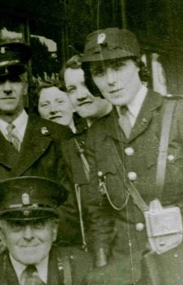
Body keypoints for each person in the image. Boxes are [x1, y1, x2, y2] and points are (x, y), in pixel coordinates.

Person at [80, 28, 183, 284]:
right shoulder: (98, 134)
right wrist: (102, 269)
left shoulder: (182, 114)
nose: (110, 80)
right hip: (127, 270)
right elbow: (98, 213)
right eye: (99, 72)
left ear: (138, 65)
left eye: (118, 66)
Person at [0, 43, 78, 253]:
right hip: (1, 252)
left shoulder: (59, 135)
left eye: (15, 80)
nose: (7, 88)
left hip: (56, 247)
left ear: (25, 86)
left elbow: (75, 199)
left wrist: (43, 234)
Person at [0, 177, 92, 285]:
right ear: (2, 234)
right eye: (16, 225)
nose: (28, 236)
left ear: (54, 230)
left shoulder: (83, 268)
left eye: (39, 224)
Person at [59, 55, 112, 250]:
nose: (80, 95)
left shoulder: (128, 130)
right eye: (72, 89)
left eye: (85, 84)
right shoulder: (70, 147)